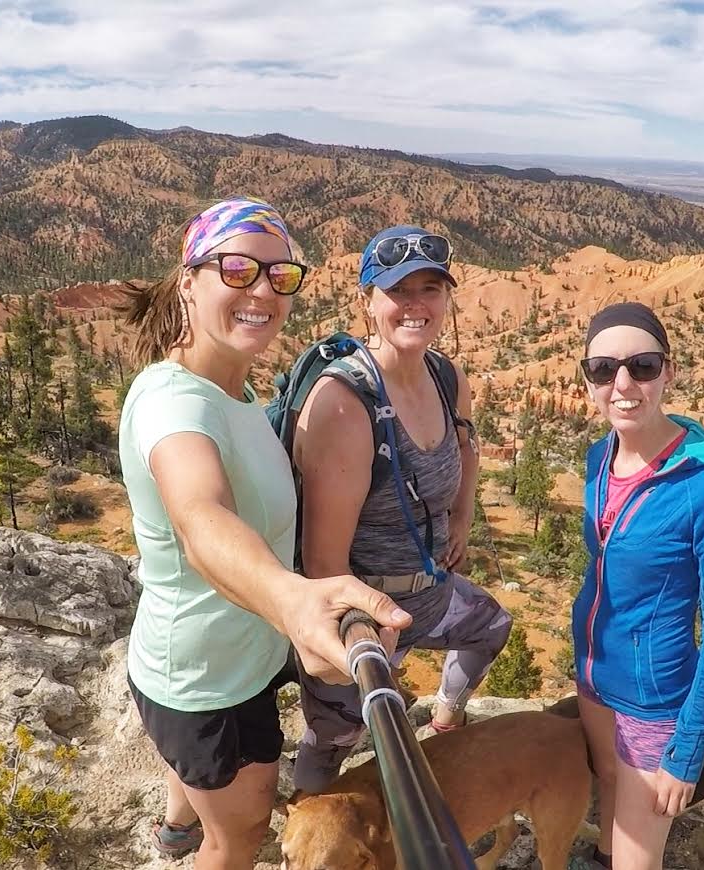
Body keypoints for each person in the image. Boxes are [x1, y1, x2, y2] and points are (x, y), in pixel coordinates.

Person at [118, 198, 412, 869]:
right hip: (203, 681)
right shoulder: (175, 404)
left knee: (210, 792)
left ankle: (175, 826)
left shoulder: (230, 386)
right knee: (243, 832)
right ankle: (196, 835)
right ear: (189, 281)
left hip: (231, 655)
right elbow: (201, 519)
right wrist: (290, 600)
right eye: (240, 269)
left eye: (280, 277)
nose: (263, 291)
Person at [290, 225, 512, 793]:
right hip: (363, 615)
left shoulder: (445, 376)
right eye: (398, 290)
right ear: (367, 302)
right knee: (332, 738)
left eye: (430, 289)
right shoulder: (347, 402)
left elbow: (465, 446)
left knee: (491, 625)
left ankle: (445, 716)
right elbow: (323, 565)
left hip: (432, 593)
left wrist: (461, 518)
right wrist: (364, 641)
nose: (416, 305)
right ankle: (309, 823)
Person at [570, 302, 704, 870]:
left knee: (638, 858)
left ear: (669, 372)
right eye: (602, 369)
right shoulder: (600, 457)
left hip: (654, 702)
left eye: (641, 366)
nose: (622, 384)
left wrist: (688, 748)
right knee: (607, 783)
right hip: (595, 675)